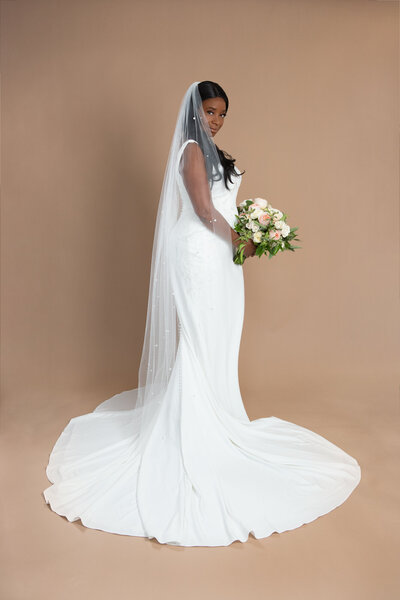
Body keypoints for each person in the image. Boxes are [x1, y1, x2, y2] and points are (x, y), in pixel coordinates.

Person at [43, 81, 361, 547]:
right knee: (198, 335)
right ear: (195, 110)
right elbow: (203, 209)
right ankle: (195, 428)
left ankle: (220, 411)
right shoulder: (192, 149)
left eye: (222, 115)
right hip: (199, 252)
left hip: (221, 256)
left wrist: (253, 231)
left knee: (219, 334)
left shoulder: (215, 152)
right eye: (210, 111)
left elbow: (223, 208)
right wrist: (241, 239)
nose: (215, 120)